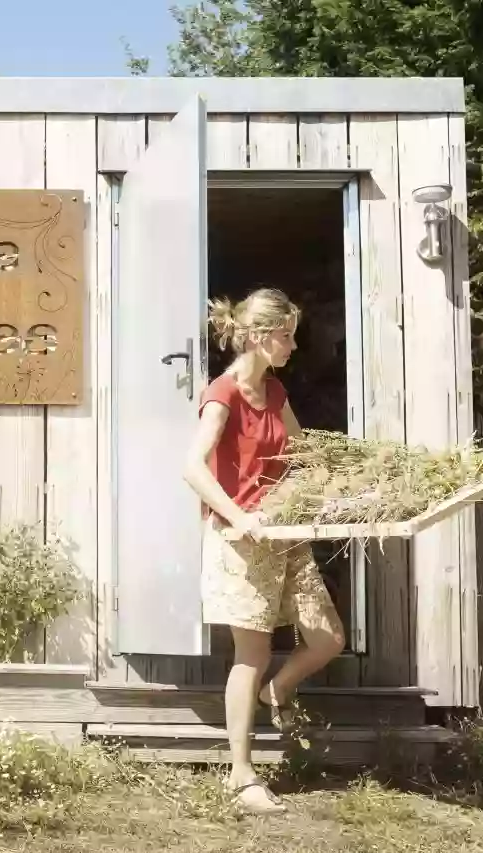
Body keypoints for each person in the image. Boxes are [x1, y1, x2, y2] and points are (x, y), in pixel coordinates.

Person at [182, 286, 346, 815]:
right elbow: (192, 467)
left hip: (284, 535)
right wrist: (237, 515)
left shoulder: (274, 393)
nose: (293, 345)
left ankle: (278, 692)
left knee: (328, 639)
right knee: (250, 655)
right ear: (257, 334)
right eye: (286, 334)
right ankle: (242, 775)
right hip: (241, 541)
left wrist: (337, 485)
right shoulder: (222, 393)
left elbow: (300, 453)